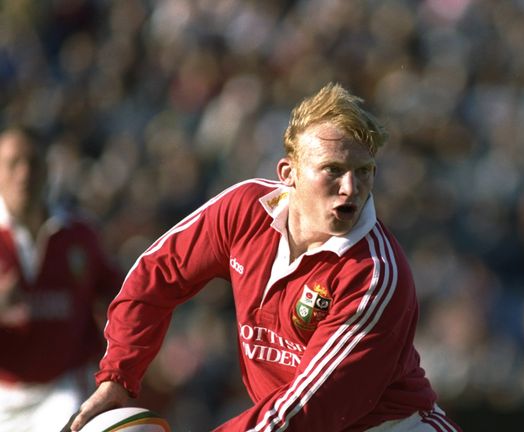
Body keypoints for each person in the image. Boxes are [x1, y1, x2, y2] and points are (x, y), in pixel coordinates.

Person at [70, 83, 462, 431]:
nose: (351, 188)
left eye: (364, 171)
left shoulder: (373, 273)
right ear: (288, 173)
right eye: (333, 169)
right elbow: (157, 275)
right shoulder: (244, 210)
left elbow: (310, 406)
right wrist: (118, 378)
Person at [0, 126, 122, 431]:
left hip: (63, 388)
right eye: (13, 163)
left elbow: (118, 296)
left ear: (48, 169)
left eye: (34, 162)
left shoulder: (79, 234)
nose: (24, 173)